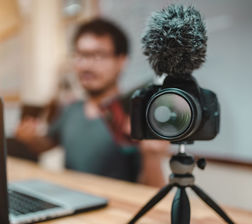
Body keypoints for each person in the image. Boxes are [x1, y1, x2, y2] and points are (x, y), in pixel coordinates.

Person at [15, 18, 168, 187]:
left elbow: (153, 194)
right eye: (81, 55)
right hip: (72, 205)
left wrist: (152, 156)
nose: (86, 65)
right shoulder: (70, 110)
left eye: (98, 55)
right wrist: (30, 138)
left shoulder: (134, 115)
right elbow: (46, 144)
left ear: (121, 61)